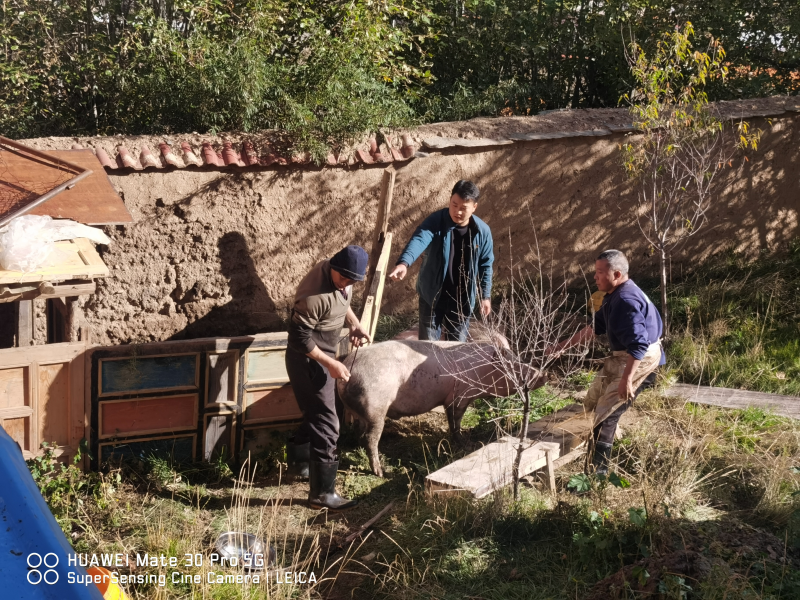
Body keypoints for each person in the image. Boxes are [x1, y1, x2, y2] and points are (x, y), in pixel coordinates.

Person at [549, 249, 665, 475]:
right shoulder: (614, 294)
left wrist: (627, 380)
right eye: (596, 272)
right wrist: (560, 347)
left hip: (640, 360)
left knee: (607, 415)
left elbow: (639, 345)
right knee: (593, 400)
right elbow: (594, 328)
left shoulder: (625, 300)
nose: (595, 277)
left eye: (600, 272)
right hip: (623, 356)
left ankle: (596, 475)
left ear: (617, 274)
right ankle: (586, 451)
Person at [285, 245, 371, 510]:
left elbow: (342, 300)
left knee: (317, 411)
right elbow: (299, 339)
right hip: (308, 359)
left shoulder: (343, 277)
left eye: (352, 281)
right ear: (333, 266)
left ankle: (300, 465)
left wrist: (354, 324)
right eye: (343, 278)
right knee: (328, 422)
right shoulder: (313, 296)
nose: (345, 283)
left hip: (324, 355)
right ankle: (322, 495)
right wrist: (331, 363)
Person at [388, 180, 494, 341]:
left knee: (455, 350)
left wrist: (485, 296)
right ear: (450, 200)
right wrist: (404, 263)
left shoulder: (482, 232)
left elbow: (485, 265)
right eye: (454, 205)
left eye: (463, 208)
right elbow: (419, 239)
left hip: (461, 301)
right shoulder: (436, 221)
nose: (457, 211)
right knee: (427, 348)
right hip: (432, 297)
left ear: (474, 207)